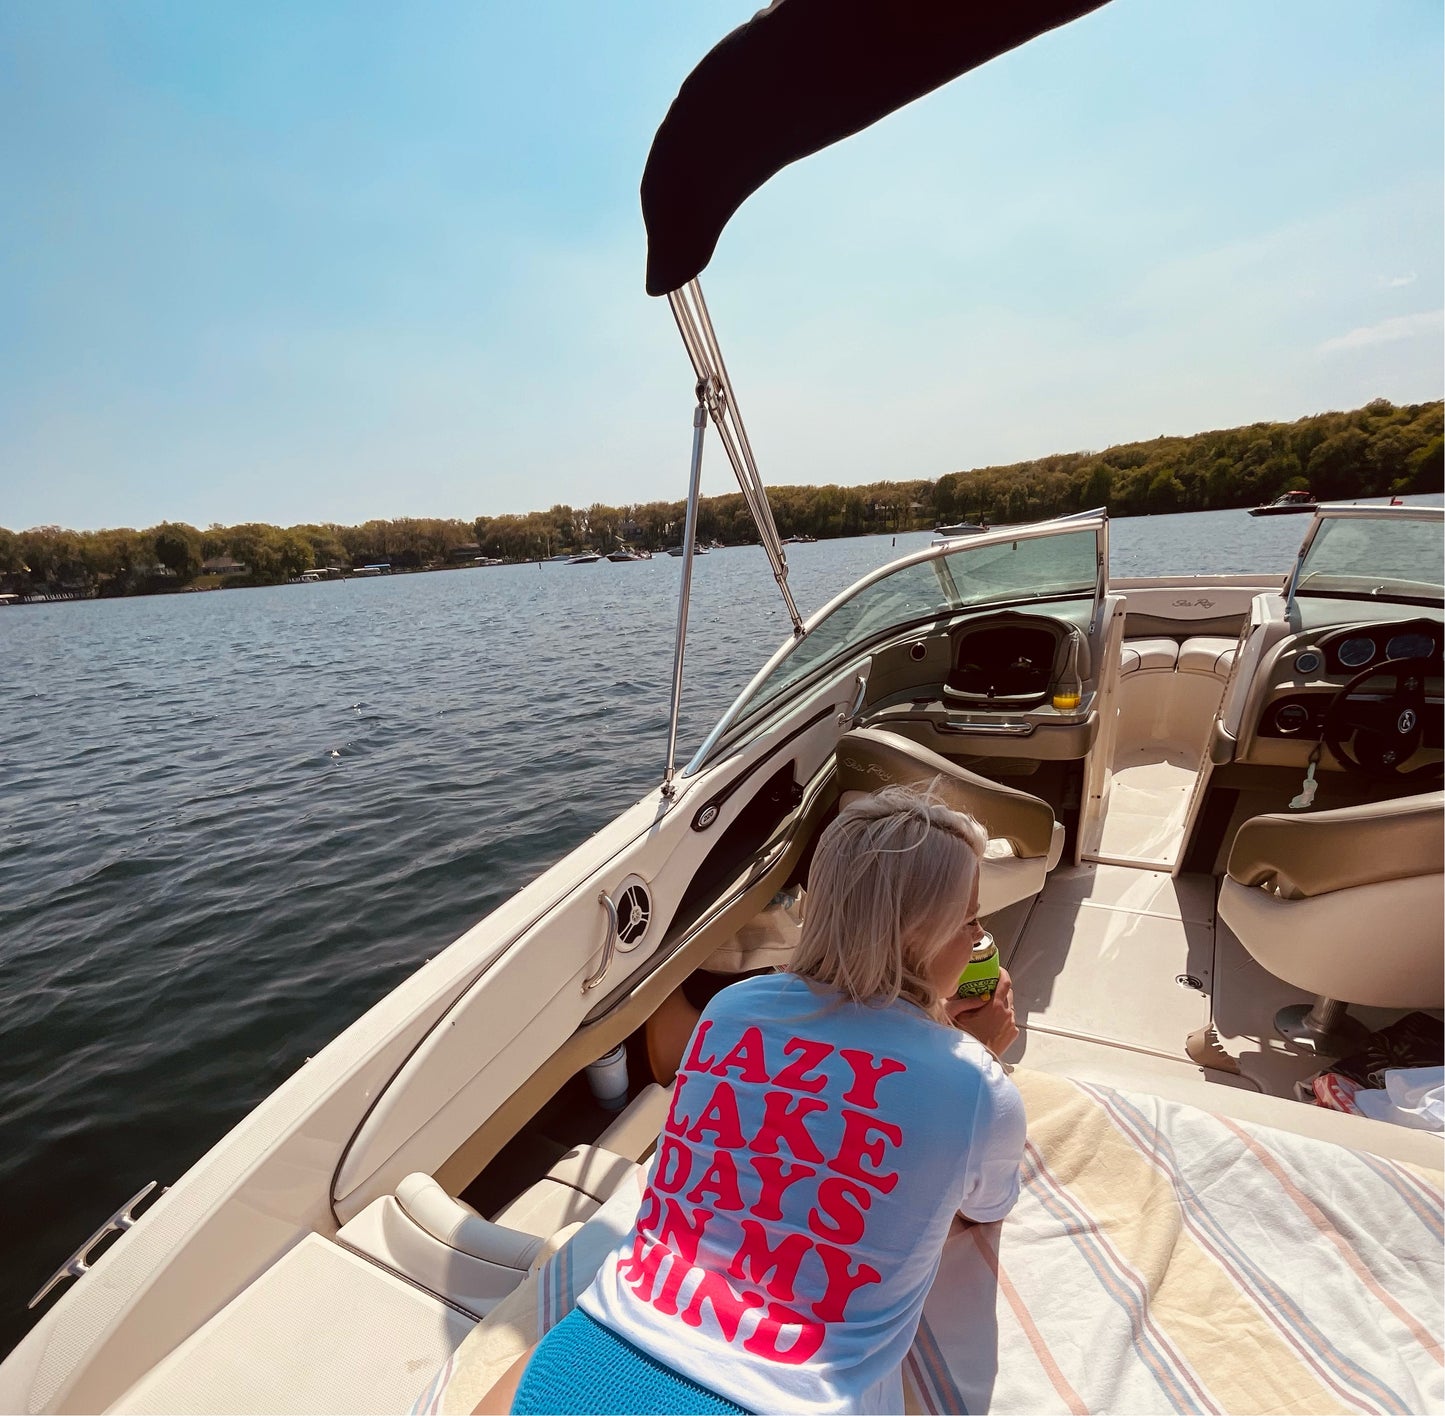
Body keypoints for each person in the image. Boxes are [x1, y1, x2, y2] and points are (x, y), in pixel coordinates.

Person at [478, 784, 1024, 1415]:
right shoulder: (979, 1088)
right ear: (929, 943)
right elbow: (980, 1210)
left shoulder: (732, 1010)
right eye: (973, 921)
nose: (980, 938)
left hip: (594, 1353)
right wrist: (969, 1052)